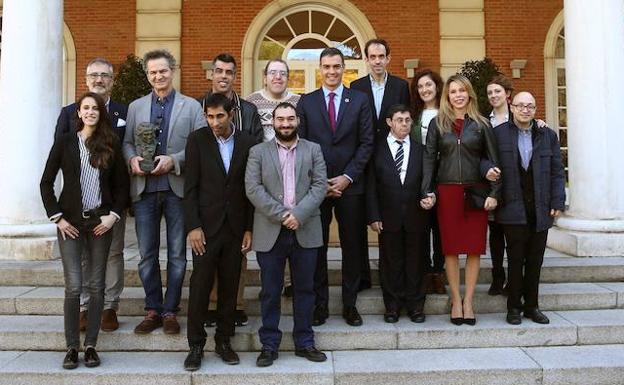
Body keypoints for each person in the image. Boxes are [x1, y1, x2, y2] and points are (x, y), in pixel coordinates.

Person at [41, 92, 129, 369]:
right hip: (71, 224)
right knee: (74, 286)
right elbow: (45, 183)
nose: (90, 112)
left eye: (95, 108)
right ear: (78, 112)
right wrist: (58, 218)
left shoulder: (109, 143)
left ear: (101, 113)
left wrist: (113, 217)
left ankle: (91, 345)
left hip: (100, 224)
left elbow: (121, 187)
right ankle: (71, 348)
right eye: (86, 108)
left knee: (96, 285)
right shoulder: (65, 143)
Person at [123, 49, 205, 335]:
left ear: (173, 71)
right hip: (144, 190)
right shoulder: (135, 107)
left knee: (177, 255)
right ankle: (152, 309)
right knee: (146, 254)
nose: (158, 76)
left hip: (176, 189)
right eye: (153, 72)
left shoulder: (192, 107)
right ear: (148, 75)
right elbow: (127, 143)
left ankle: (171, 310)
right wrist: (131, 159)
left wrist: (174, 160)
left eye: (163, 71)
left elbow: (200, 146)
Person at [245, 102, 328, 367]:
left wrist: (298, 215)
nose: (285, 124)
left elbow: (319, 186)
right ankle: (269, 345)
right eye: (280, 119)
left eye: (290, 119)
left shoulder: (313, 149)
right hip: (271, 230)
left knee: (305, 289)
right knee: (270, 290)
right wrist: (282, 215)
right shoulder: (258, 152)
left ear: (297, 121)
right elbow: (253, 188)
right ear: (272, 122)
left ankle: (305, 341)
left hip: (306, 228)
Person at [297, 47, 374, 327]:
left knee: (352, 246)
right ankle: (320, 305)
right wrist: (321, 182)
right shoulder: (306, 102)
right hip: (317, 188)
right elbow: (301, 147)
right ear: (320, 69)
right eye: (327, 66)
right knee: (316, 248)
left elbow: (367, 143)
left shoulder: (360, 100)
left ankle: (350, 304)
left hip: (350, 186)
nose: (331, 71)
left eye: (336, 66)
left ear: (344, 69)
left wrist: (347, 176)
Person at [182, 93, 255, 370]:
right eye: (209, 117)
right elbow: (190, 188)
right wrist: (193, 226)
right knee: (200, 286)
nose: (214, 122)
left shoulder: (248, 141)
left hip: (235, 227)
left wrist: (249, 228)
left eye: (219, 116)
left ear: (231, 113)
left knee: (229, 285)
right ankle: (196, 345)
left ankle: (224, 341)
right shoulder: (197, 140)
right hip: (205, 229)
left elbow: (250, 190)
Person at [54, 58, 128, 332]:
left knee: (114, 252)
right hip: (77, 204)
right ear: (85, 79)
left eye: (105, 75)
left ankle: (110, 306)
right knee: (83, 256)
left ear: (112, 80)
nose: (99, 79)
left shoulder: (124, 111)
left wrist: (118, 208)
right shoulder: (69, 113)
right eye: (94, 75)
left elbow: (125, 153)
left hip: (109, 204)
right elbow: (59, 154)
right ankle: (85, 307)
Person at [421, 74, 500, 326]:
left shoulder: (482, 124)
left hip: (475, 192)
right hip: (447, 192)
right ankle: (455, 300)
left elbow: (493, 161)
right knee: (451, 249)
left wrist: (494, 193)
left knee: (474, 249)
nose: (458, 95)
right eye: (453, 91)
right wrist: (426, 191)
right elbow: (429, 160)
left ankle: (469, 300)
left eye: (462, 90)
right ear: (447, 96)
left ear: (469, 94)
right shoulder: (438, 124)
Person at [198, 53, 263, 327]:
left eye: (229, 72)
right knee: (208, 250)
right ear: (211, 74)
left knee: (238, 252)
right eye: (219, 71)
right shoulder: (197, 107)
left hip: (239, 190)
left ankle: (235, 305)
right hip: (208, 192)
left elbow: (257, 146)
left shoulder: (248, 110)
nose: (223, 76)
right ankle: (211, 305)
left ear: (235, 76)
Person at [492, 91, 565, 325]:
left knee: (535, 261)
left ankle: (532, 306)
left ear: (535, 110)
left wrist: (557, 201)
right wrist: (487, 170)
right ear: (512, 107)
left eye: (530, 106)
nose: (525, 110)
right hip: (512, 208)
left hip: (540, 208)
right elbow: (485, 159)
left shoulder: (548, 135)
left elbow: (556, 171)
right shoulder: (498, 134)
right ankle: (513, 307)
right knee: (514, 260)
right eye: (521, 105)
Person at [351, 38, 410, 292]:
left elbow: (405, 120)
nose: (377, 61)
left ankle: (395, 274)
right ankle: (363, 275)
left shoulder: (400, 86)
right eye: (372, 57)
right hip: (364, 158)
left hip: (392, 157)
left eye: (381, 56)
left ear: (388, 58)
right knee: (362, 215)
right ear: (366, 59)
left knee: (391, 217)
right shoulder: (355, 86)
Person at [484, 75, 547, 296]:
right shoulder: (485, 121)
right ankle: (497, 276)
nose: (493, 96)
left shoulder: (526, 119)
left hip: (519, 193)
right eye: (490, 92)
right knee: (496, 235)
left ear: (508, 96)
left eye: (497, 91)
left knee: (515, 242)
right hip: (496, 189)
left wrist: (539, 123)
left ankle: (515, 283)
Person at [367, 104, 428, 323]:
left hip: (416, 215)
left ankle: (415, 306)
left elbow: (427, 181)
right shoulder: (377, 149)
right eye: (399, 120)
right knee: (391, 262)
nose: (404, 124)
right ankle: (392, 306)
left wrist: (430, 197)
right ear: (389, 122)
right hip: (387, 216)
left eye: (408, 120)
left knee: (416, 262)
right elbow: (371, 185)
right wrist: (373, 216)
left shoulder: (421, 150)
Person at [247, 59, 300, 297]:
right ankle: (270, 282)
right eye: (272, 73)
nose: (277, 77)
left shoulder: (299, 101)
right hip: (263, 175)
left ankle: (289, 280)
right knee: (267, 229)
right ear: (265, 76)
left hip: (292, 173)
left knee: (291, 227)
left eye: (282, 73)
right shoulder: (251, 102)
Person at [409, 69, 445, 295]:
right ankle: (422, 272)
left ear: (437, 87)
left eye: (428, 85)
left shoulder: (447, 113)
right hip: (417, 177)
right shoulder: (414, 114)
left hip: (443, 176)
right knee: (421, 227)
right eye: (420, 86)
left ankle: (438, 273)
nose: (424, 90)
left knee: (440, 228)